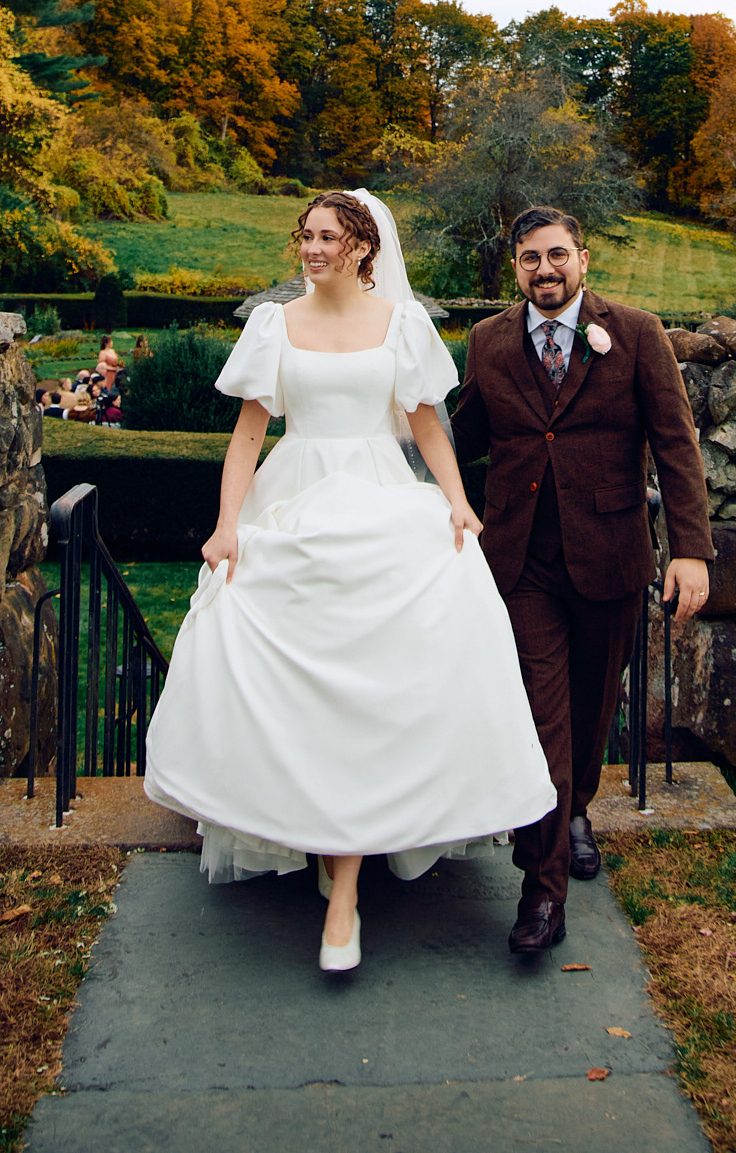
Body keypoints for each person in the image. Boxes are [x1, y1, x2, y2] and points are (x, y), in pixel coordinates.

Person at [143, 190, 555, 974]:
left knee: (379, 680)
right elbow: (248, 437)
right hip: (294, 497)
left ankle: (346, 886)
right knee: (297, 684)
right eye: (306, 235)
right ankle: (321, 845)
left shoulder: (402, 324)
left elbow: (426, 424)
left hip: (379, 496)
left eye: (327, 237)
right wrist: (227, 527)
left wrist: (458, 503)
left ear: (363, 247)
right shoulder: (275, 324)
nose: (311, 248)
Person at [451, 205, 715, 955]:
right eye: (531, 258)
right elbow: (464, 437)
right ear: (515, 268)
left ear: (583, 259)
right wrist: (389, 437)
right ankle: (543, 891)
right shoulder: (489, 340)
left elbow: (676, 444)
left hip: (610, 555)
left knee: (593, 711)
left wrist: (691, 549)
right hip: (521, 562)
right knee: (543, 720)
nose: (546, 269)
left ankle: (574, 809)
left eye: (558, 255)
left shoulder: (635, 333)